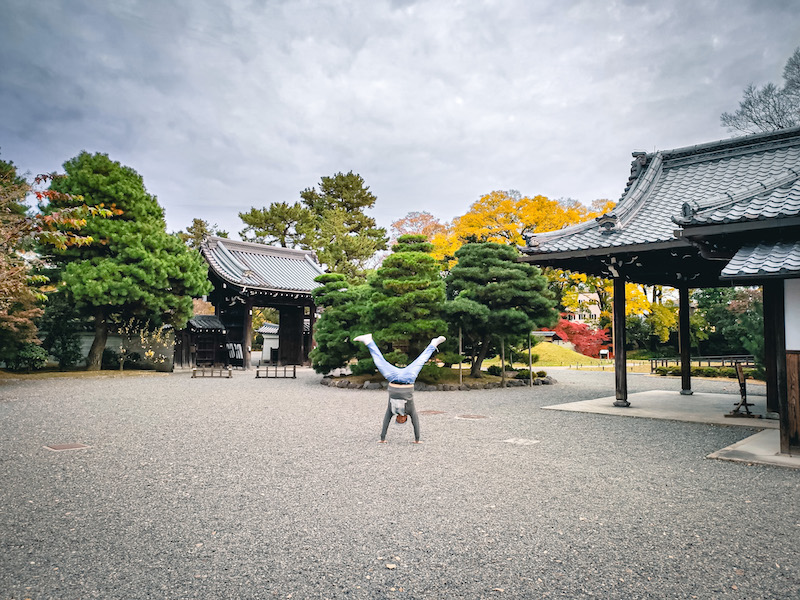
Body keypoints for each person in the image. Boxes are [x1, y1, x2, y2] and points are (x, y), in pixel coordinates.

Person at [353, 333, 446, 444]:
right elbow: (415, 422)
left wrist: (382, 438)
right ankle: (433, 343)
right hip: (408, 378)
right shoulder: (410, 411)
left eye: (398, 420)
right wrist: (417, 439)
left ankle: (368, 341)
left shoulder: (392, 410)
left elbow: (386, 421)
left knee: (379, 362)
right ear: (406, 418)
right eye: (402, 421)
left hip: (392, 378)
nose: (399, 419)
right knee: (421, 360)